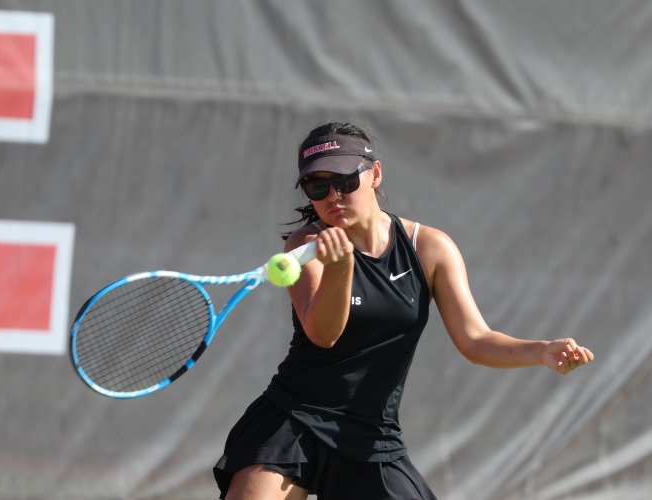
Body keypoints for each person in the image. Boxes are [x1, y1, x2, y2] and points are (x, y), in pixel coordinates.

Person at [213, 121, 594, 500]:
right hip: (291, 420)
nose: (333, 196)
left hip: (371, 437)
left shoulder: (429, 248)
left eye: (346, 181)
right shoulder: (305, 245)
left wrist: (540, 350)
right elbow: (323, 333)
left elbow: (476, 340)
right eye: (318, 186)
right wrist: (341, 267)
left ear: (375, 174)